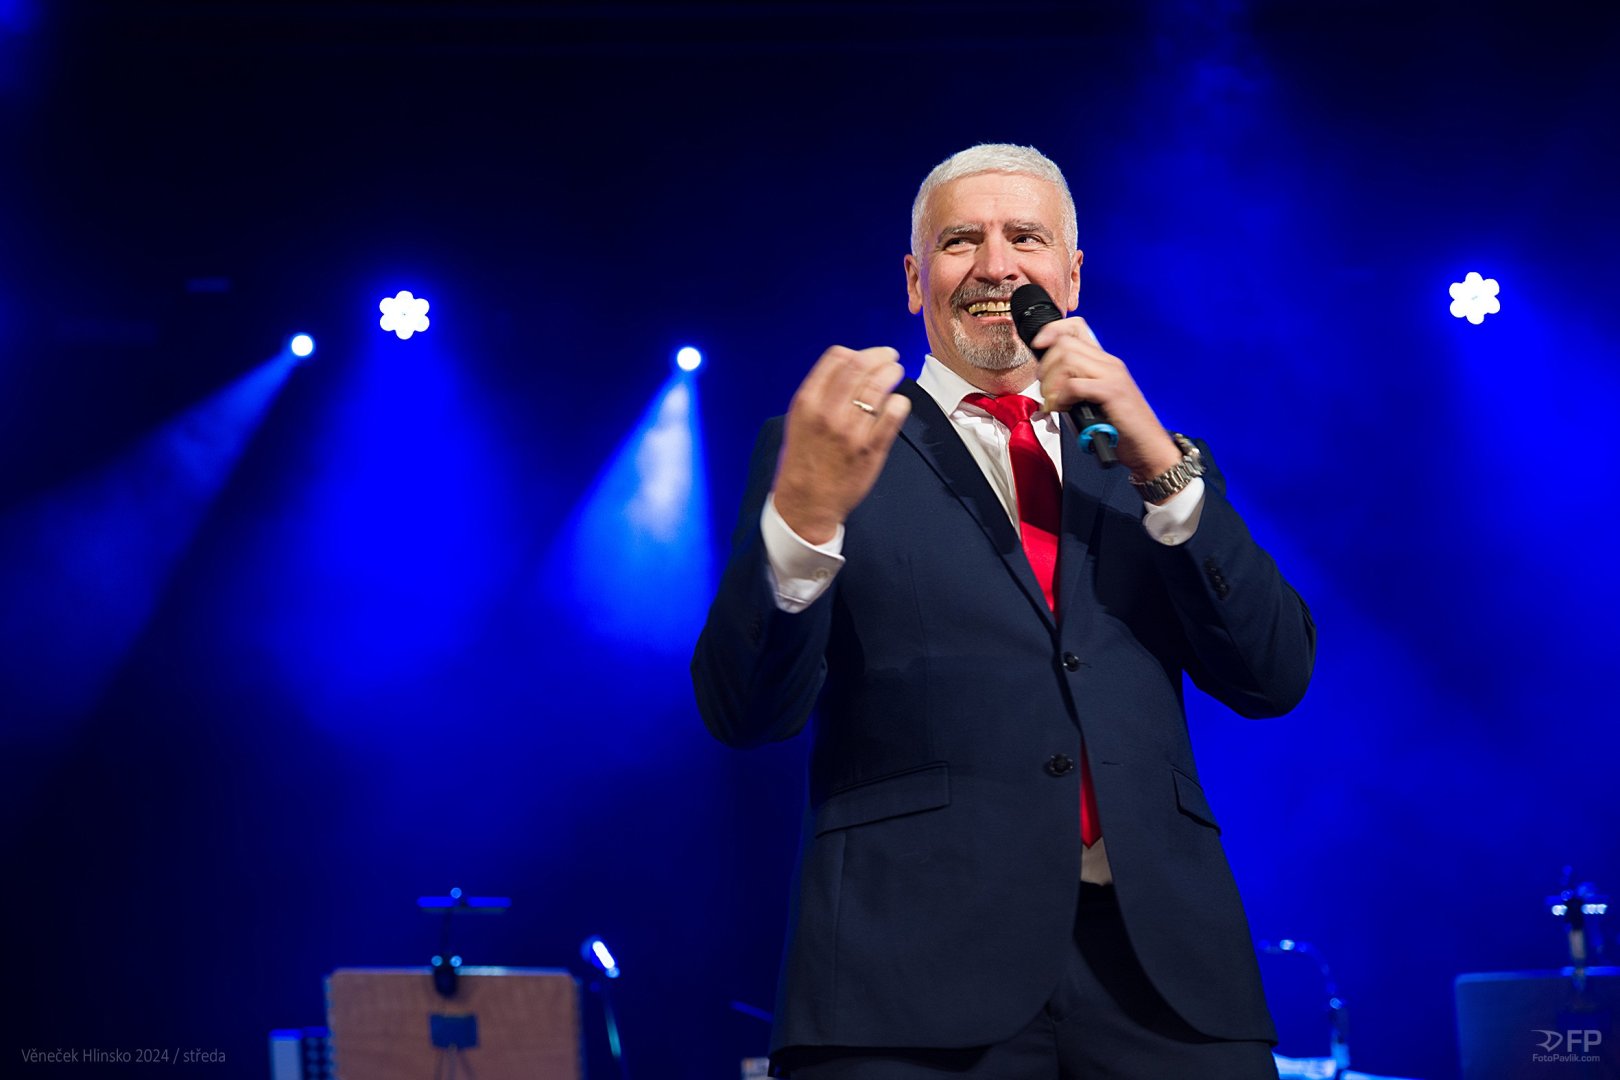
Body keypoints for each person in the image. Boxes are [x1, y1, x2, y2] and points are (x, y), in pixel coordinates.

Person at [691, 143, 1315, 1079]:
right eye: (959, 242)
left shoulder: (1150, 458)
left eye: (1025, 238)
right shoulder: (831, 449)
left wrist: (1161, 466)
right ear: (915, 281)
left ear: (1071, 274)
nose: (996, 266)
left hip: (1168, 980)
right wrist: (806, 522)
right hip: (905, 981)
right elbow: (744, 711)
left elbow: (1275, 678)